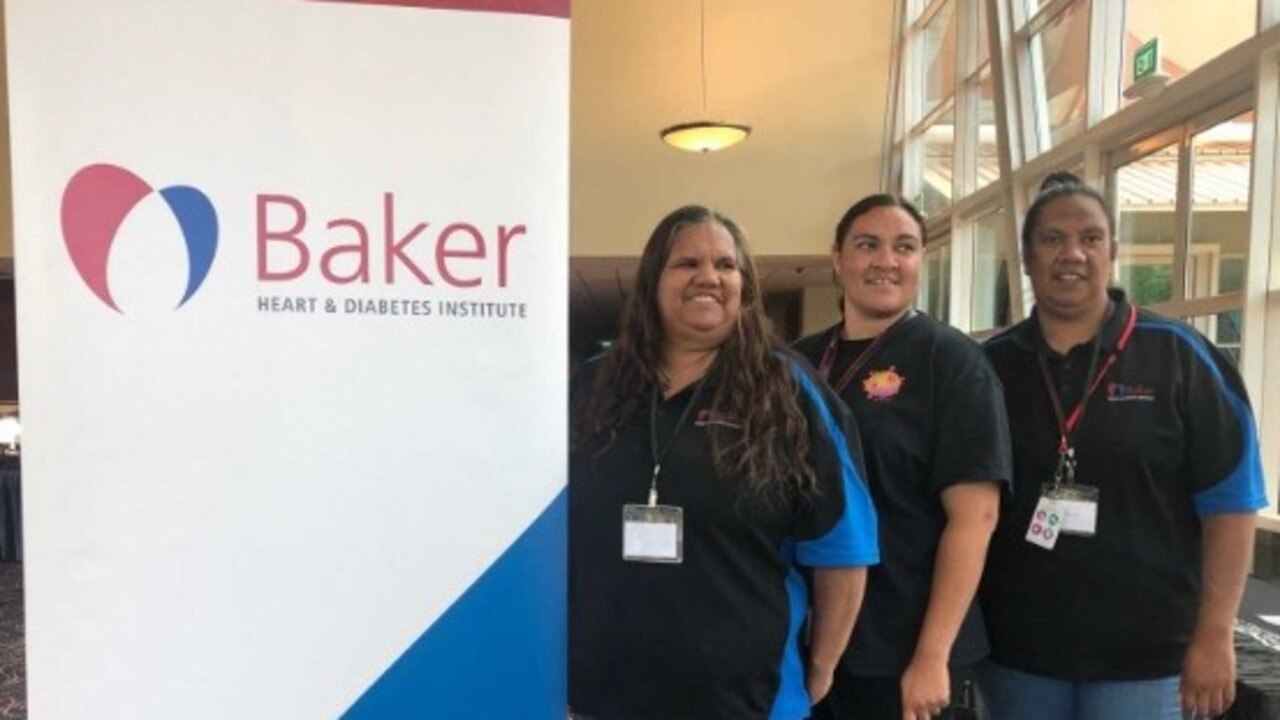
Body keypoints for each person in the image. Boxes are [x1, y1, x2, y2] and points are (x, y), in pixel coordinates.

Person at [569, 204, 880, 720]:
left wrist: (821, 666)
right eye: (687, 263)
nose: (708, 277)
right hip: (605, 694)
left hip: (748, 700)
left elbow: (843, 548)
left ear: (745, 285)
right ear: (652, 281)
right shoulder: (592, 388)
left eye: (726, 265)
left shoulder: (789, 391)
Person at [978, 172, 1269, 720]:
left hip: (1148, 656)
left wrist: (1214, 635)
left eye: (1090, 238)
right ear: (1026, 256)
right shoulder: (990, 368)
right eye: (1052, 238)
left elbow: (1232, 506)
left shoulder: (1182, 358)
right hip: (1017, 654)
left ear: (1112, 251)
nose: (1073, 253)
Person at [794, 194, 1011, 720]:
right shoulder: (796, 362)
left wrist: (932, 655)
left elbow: (975, 518)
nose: (885, 261)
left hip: (901, 648)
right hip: (809, 638)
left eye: (904, 247)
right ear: (837, 259)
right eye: (867, 244)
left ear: (921, 261)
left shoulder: (951, 361)